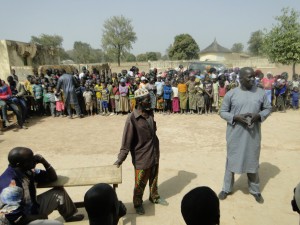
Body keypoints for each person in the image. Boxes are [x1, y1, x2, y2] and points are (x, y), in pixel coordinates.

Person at [218, 67, 272, 204]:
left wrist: (259, 116)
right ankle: (226, 188)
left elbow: (268, 108)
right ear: (241, 79)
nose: (253, 79)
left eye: (253, 76)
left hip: (253, 135)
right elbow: (222, 112)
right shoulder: (231, 94)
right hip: (235, 134)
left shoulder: (260, 93)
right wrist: (235, 117)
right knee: (231, 160)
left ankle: (255, 190)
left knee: (252, 160)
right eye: (249, 77)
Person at [113, 88, 168, 215]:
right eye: (147, 100)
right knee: (140, 182)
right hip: (141, 156)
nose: (150, 102)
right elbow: (126, 142)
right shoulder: (132, 118)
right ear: (139, 102)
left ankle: (154, 197)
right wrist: (120, 159)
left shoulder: (150, 113)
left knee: (154, 178)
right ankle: (137, 203)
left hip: (154, 152)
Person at [0, 147, 84, 225]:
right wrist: (40, 216)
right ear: (19, 164)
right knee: (56, 224)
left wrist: (44, 162)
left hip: (30, 207)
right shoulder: (11, 187)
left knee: (59, 193)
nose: (34, 160)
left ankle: (69, 216)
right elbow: (15, 219)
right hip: (18, 221)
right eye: (30, 159)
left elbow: (52, 177)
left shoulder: (26, 171)